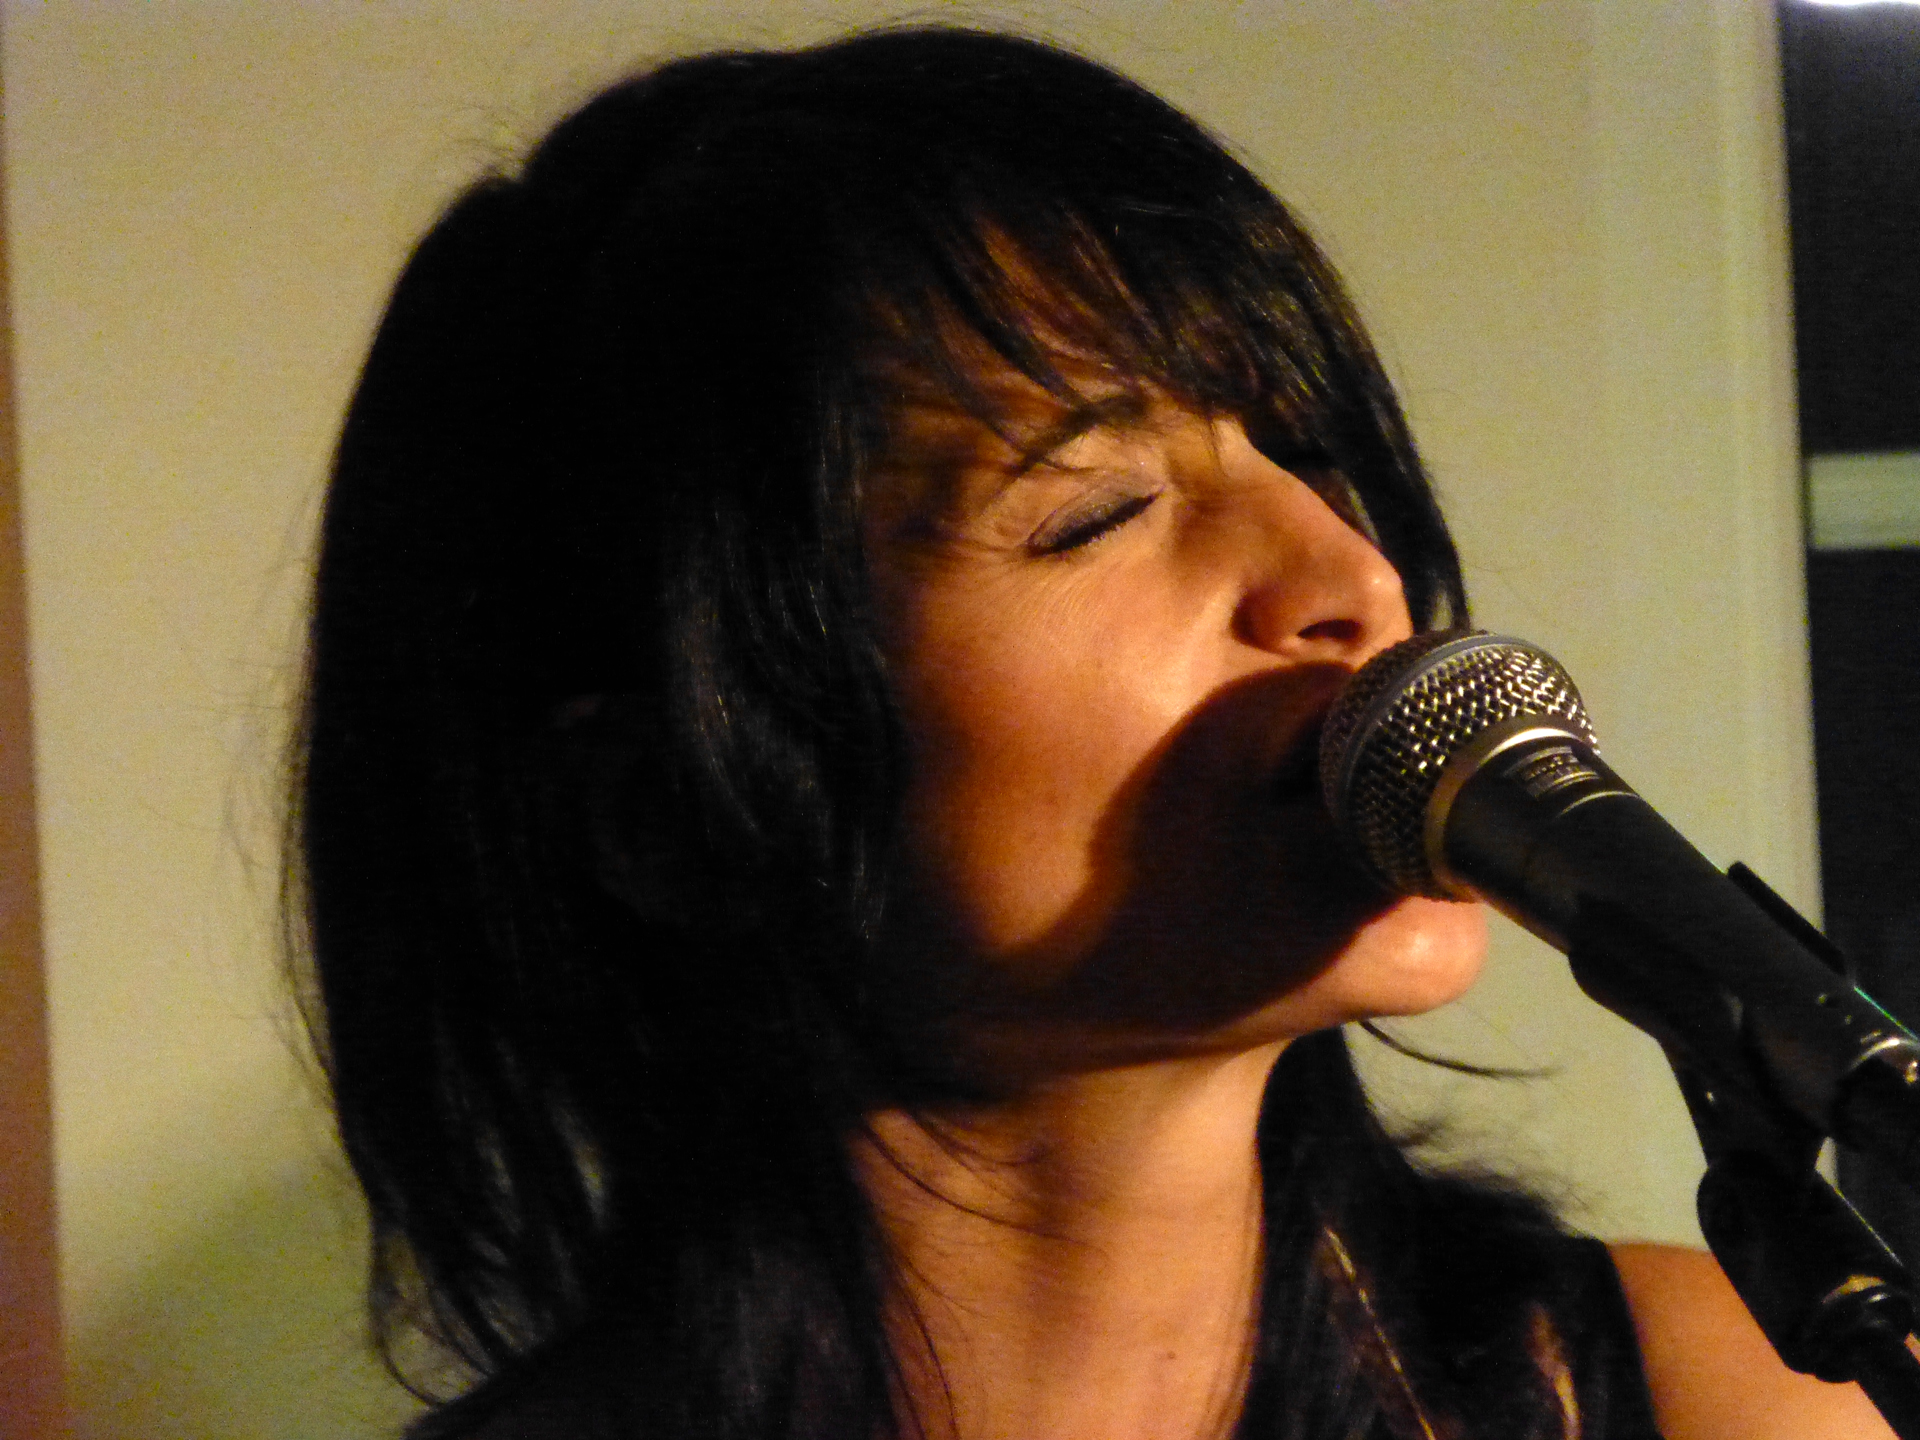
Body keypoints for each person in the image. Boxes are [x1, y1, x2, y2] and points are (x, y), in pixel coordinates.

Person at [290, 26, 1893, 1440]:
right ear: (670, 812)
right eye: (1096, 511)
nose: (1351, 579)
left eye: (1308, 455)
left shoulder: (1732, 1395)